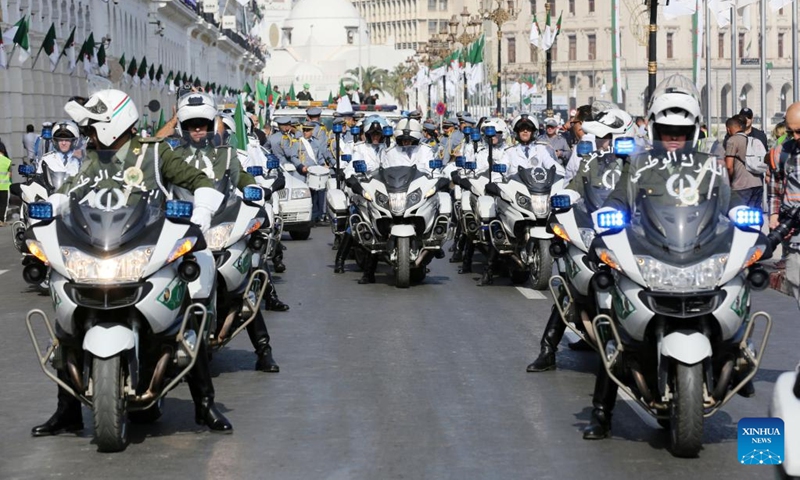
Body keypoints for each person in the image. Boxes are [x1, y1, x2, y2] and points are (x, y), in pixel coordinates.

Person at [33, 89, 233, 437]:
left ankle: (204, 405)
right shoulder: (95, 158)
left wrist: (201, 212)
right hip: (101, 249)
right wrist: (53, 204)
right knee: (66, 324)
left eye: (94, 127)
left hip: (149, 248)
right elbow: (73, 190)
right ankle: (66, 410)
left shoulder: (155, 154)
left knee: (193, 308)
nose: (90, 135)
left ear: (113, 125)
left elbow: (199, 179)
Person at [584, 76, 726, 440]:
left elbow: (730, 205)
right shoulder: (639, 166)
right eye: (666, 130)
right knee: (613, 328)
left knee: (735, 294)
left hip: (697, 254)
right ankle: (601, 413)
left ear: (693, 131)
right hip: (649, 255)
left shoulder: (711, 168)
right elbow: (618, 199)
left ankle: (732, 360)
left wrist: (748, 225)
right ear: (655, 129)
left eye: (680, 131)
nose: (673, 137)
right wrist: (606, 224)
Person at [173, 92, 281, 373]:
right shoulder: (172, 156)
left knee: (245, 285)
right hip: (184, 229)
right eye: (191, 124)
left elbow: (240, 177)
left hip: (220, 224)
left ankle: (264, 350)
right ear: (183, 128)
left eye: (202, 124)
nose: (197, 129)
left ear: (211, 125)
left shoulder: (226, 154)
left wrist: (252, 189)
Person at [526, 108, 634, 373]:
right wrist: (563, 199)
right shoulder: (590, 162)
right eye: (598, 138)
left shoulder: (641, 165)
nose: (600, 142)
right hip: (596, 233)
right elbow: (575, 187)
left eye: (606, 137)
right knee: (573, 287)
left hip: (633, 237)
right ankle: (548, 350)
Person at [479, 114, 562, 286]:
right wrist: (496, 182)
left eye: (528, 129)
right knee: (496, 225)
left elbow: (556, 169)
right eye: (522, 129)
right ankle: (488, 270)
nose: (525, 132)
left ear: (533, 132)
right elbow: (499, 171)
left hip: (537, 196)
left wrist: (561, 181)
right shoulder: (509, 153)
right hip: (516, 196)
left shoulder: (541, 150)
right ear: (517, 132)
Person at [768, 102, 800, 293]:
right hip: (793, 237)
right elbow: (775, 187)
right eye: (791, 132)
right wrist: (774, 217)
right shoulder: (782, 152)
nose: (796, 137)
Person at [725, 115, 764, 209]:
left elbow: (729, 166)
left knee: (740, 216)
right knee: (755, 216)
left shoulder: (732, 140)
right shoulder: (753, 140)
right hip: (757, 183)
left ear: (728, 129)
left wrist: (728, 182)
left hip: (741, 186)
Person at [0, 143, 10, 225]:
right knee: (3, 204)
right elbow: (10, 175)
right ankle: (2, 221)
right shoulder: (8, 161)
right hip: (4, 186)